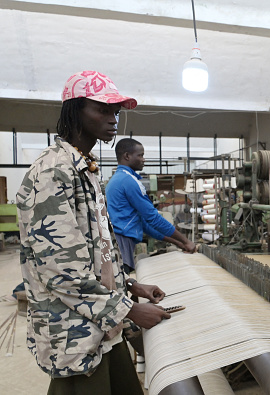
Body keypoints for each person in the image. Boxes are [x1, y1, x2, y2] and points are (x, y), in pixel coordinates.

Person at [16, 70, 171, 394]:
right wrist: (128, 309)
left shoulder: (82, 168)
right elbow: (60, 270)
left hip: (100, 325)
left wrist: (130, 285)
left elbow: (92, 252)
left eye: (115, 111)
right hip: (73, 335)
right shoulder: (52, 173)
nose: (113, 118)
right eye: (102, 110)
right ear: (74, 111)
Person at [106, 138, 196, 274]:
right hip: (122, 243)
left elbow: (144, 225)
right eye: (140, 155)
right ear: (127, 156)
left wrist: (178, 243)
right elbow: (152, 218)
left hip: (121, 241)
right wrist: (186, 241)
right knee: (123, 285)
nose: (144, 159)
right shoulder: (128, 181)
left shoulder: (119, 179)